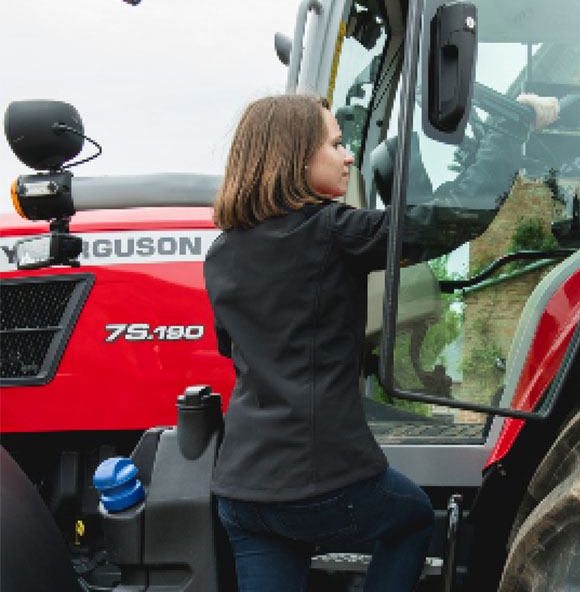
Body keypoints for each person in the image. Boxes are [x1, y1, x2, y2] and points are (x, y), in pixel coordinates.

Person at [203, 92, 558, 592]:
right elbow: (451, 217)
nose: (348, 156)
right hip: (320, 480)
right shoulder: (329, 232)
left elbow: (235, 350)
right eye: (336, 144)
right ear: (294, 157)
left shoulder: (221, 253)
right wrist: (512, 125)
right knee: (411, 517)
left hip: (242, 491)